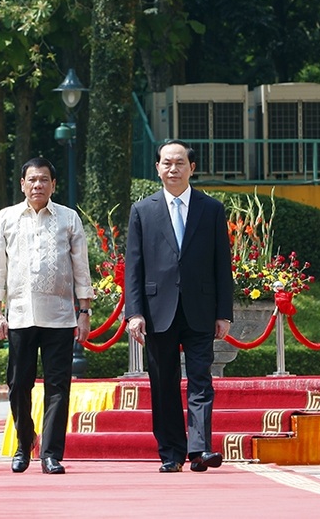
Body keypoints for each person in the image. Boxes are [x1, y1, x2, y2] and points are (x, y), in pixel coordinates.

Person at [124, 140, 233, 473]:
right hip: (158, 311)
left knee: (201, 378)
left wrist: (224, 312)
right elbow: (134, 266)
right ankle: (171, 452)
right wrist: (134, 312)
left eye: (180, 163)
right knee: (163, 383)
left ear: (192, 168)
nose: (173, 169)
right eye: (167, 163)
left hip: (200, 308)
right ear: (157, 167)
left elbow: (221, 264)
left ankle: (199, 450)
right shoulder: (143, 210)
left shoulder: (211, 209)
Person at [0, 157, 93, 475]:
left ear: (53, 184)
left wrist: (85, 311)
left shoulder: (68, 218)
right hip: (19, 316)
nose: (38, 185)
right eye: (32, 180)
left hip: (60, 316)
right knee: (18, 384)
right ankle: (23, 445)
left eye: (44, 180)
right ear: (22, 184)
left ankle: (51, 453)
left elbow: (81, 268)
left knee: (58, 386)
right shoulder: (6, 218)